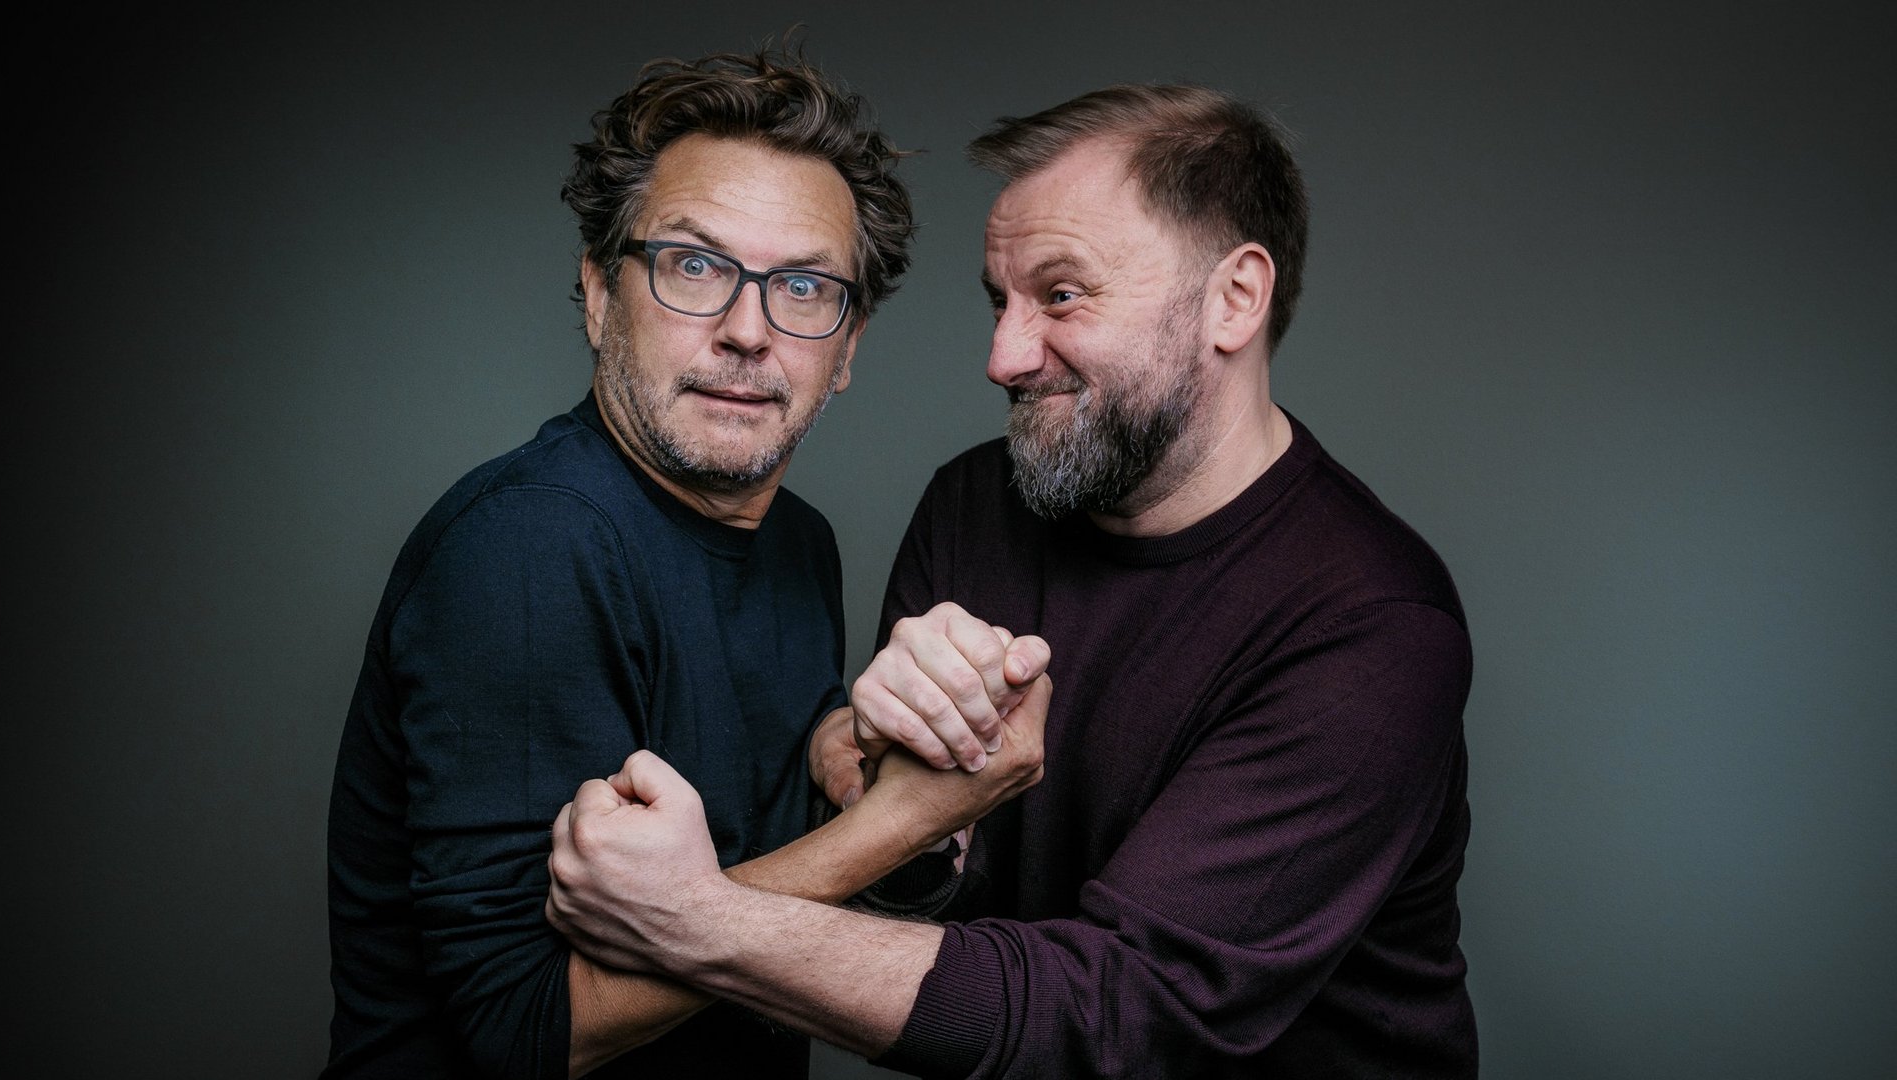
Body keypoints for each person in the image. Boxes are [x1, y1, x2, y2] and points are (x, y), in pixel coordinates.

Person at [545, 83, 1477, 1078]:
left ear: (1235, 298)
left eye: (1061, 295)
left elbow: (1120, 1019)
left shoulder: (1373, 626)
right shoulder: (974, 504)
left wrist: (697, 921)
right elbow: (907, 903)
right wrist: (886, 795)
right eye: (1001, 300)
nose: (1003, 356)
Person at [323, 47, 1047, 1080]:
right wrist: (900, 824)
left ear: (846, 348)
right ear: (597, 294)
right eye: (695, 267)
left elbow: (783, 892)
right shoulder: (529, 546)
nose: (748, 331)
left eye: (804, 286)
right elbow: (524, 1032)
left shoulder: (797, 543)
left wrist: (867, 777)